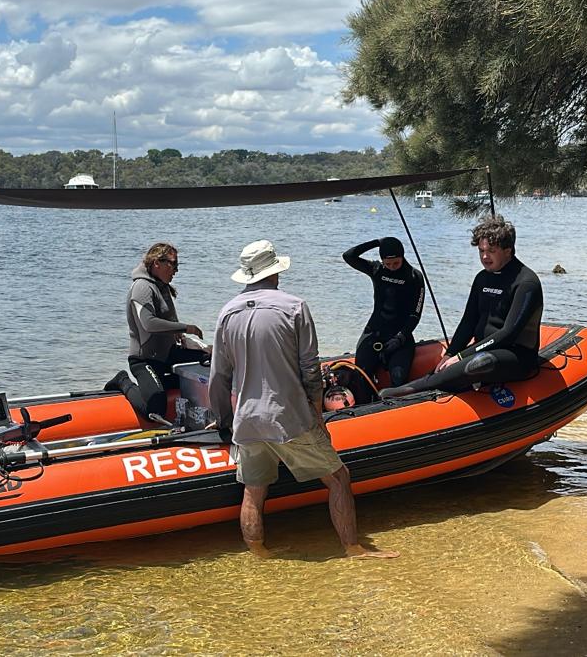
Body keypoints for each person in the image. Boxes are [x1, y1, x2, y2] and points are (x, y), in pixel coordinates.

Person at [208, 240, 397, 560]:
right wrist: (317, 414)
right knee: (338, 478)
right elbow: (310, 369)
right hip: (288, 416)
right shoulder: (294, 307)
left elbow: (219, 377)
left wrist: (224, 420)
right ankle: (353, 548)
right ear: (275, 272)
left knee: (253, 490)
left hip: (248, 419)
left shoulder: (227, 313)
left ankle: (260, 555)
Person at [379, 215, 543, 398]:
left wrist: (462, 356)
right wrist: (450, 354)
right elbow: (468, 322)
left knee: (481, 362)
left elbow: (508, 333)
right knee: (464, 363)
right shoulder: (482, 278)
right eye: (481, 250)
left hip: (515, 356)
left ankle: (410, 390)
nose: (485, 257)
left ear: (508, 250)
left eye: (491, 251)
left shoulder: (526, 283)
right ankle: (425, 392)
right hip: (482, 349)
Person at [125, 242, 207, 425]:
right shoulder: (142, 287)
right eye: (173, 264)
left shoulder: (161, 286)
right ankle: (122, 381)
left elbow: (168, 319)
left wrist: (183, 337)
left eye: (177, 264)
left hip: (167, 355)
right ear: (157, 263)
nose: (176, 270)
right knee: (155, 408)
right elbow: (149, 323)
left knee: (208, 359)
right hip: (145, 360)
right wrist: (186, 328)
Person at [342, 237, 425, 388]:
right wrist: (376, 242)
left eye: (396, 263)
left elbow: (416, 313)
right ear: (382, 261)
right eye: (388, 264)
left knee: (399, 379)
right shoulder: (376, 270)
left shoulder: (414, 276)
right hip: (374, 331)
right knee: (360, 378)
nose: (392, 267)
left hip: (400, 336)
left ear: (402, 257)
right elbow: (348, 256)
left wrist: (400, 338)